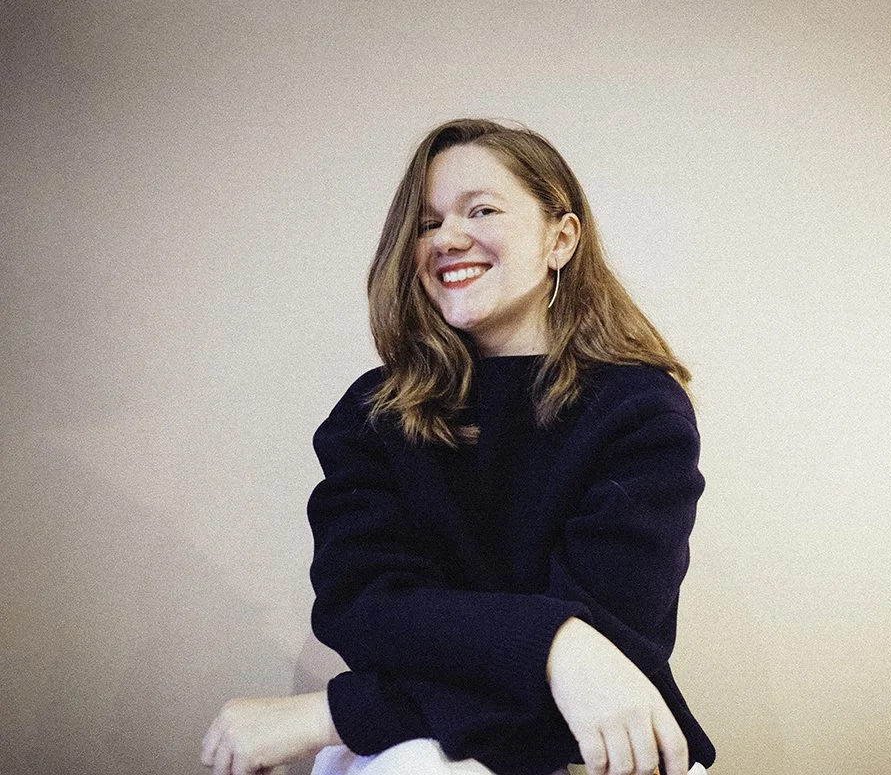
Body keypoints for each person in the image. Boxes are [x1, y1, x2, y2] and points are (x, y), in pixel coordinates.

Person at [201, 119, 715, 775]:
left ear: (561, 239)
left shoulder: (639, 410)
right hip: (420, 748)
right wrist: (558, 646)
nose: (447, 237)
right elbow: (366, 609)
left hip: (597, 743)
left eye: (482, 209)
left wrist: (331, 714)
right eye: (426, 221)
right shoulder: (372, 416)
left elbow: (612, 651)